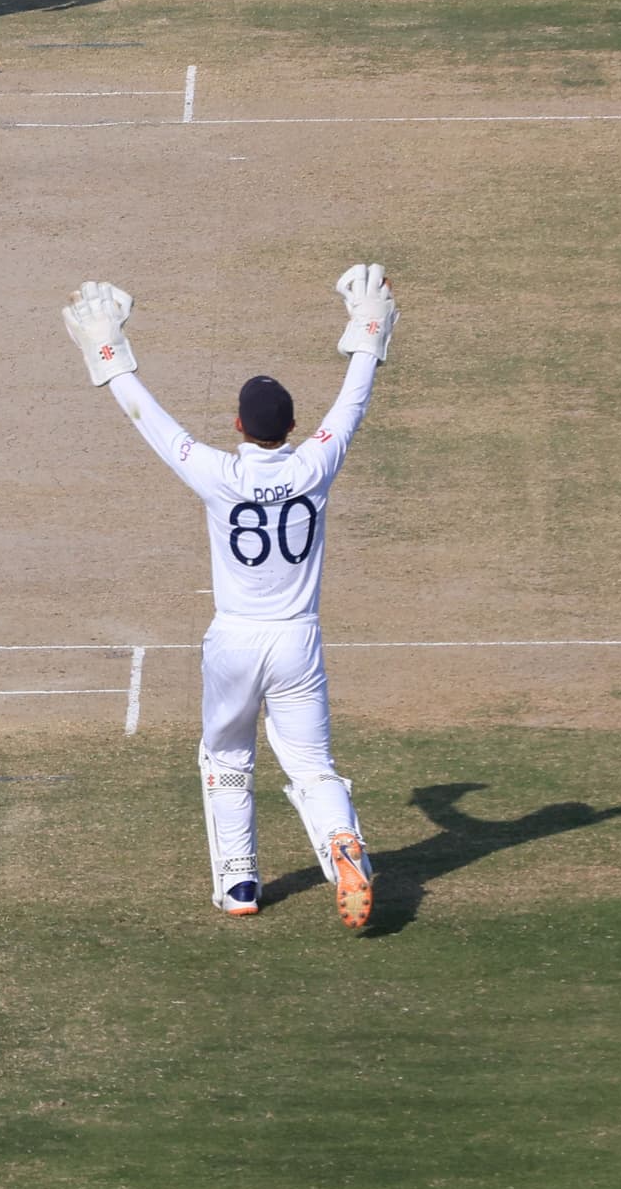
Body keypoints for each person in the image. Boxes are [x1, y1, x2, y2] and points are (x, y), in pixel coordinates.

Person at [62, 266, 397, 924]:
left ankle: (241, 884)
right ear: (293, 424)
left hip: (236, 640)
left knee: (227, 756)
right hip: (298, 638)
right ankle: (342, 845)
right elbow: (352, 404)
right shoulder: (315, 464)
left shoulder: (216, 472)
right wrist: (369, 329)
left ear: (237, 425)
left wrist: (107, 349)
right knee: (311, 764)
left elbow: (152, 423)